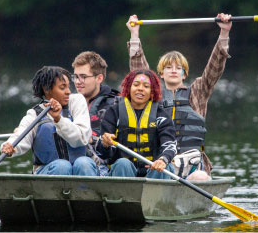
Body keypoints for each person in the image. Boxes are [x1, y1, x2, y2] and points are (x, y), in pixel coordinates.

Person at [126, 13, 232, 180]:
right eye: (168, 67)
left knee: (201, 177)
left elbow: (214, 68)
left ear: (184, 74)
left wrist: (224, 33)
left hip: (191, 164)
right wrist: (134, 34)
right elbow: (139, 71)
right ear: (161, 74)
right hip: (160, 163)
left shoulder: (198, 91)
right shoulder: (153, 93)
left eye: (178, 68)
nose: (173, 70)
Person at [0, 66, 97, 176]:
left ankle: (87, 192)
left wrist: (59, 119)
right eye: (62, 87)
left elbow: (81, 138)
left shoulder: (77, 102)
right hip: (49, 169)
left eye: (68, 87)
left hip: (82, 167)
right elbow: (20, 135)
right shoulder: (34, 114)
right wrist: (9, 146)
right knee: (62, 166)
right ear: (46, 89)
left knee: (83, 163)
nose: (68, 92)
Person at [97, 69, 177, 179]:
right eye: (136, 85)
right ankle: (123, 195)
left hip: (153, 170)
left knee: (163, 167)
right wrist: (105, 144)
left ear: (152, 92)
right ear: (129, 88)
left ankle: (155, 195)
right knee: (122, 163)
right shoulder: (114, 112)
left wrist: (163, 159)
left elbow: (170, 145)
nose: (140, 89)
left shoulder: (161, 115)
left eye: (146, 86)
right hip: (123, 171)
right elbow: (102, 153)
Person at [71, 51, 119, 175]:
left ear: (99, 78)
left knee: (83, 163)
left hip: (101, 166)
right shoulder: (67, 102)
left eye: (83, 77)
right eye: (75, 76)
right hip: (70, 161)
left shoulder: (116, 105)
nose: (78, 81)